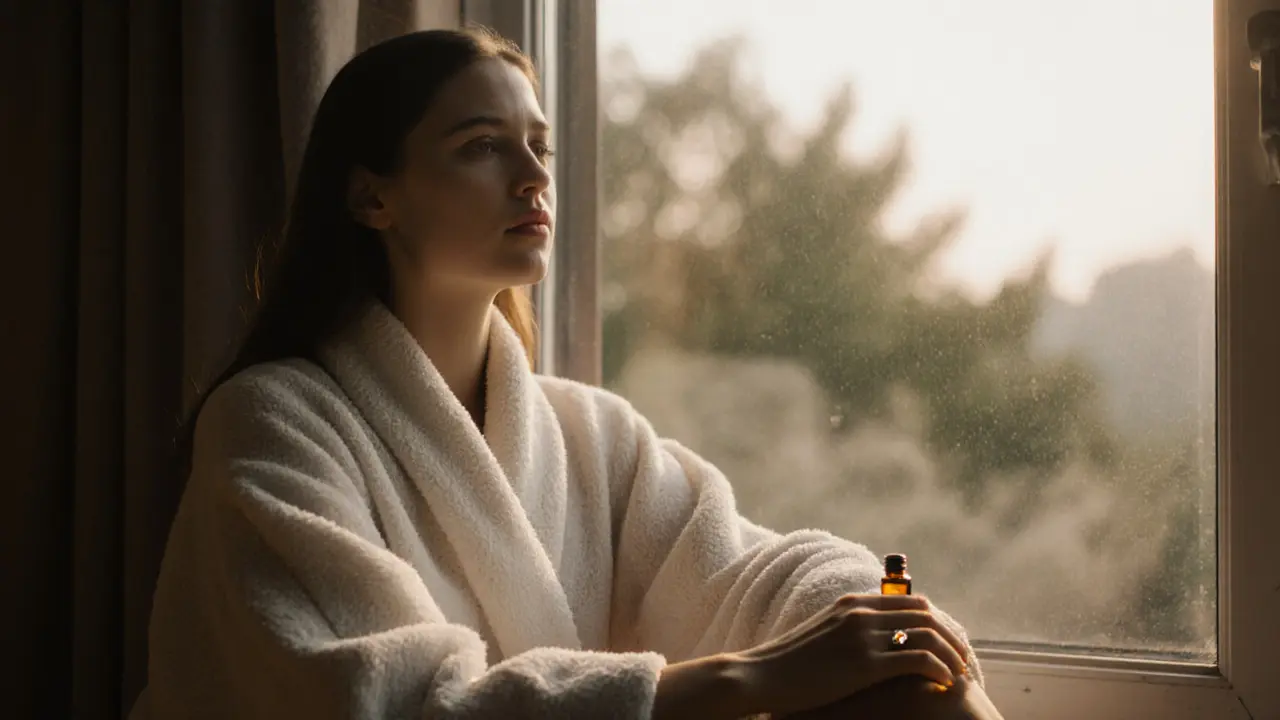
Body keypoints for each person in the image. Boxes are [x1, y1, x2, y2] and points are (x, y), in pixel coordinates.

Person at [132, 27, 1003, 719]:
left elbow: (743, 572)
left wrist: (868, 617)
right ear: (372, 198)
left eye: (538, 147)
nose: (531, 177)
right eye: (482, 146)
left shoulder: (589, 434)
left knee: (907, 675)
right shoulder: (270, 420)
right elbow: (384, 702)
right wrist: (750, 680)